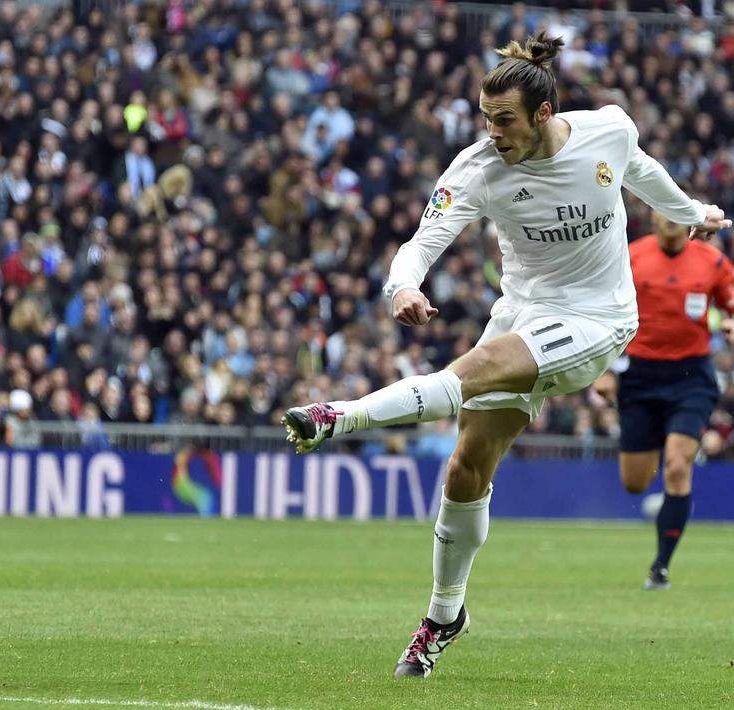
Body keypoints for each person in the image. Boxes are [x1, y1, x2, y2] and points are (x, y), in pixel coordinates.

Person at [279, 33, 731, 678]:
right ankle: (443, 615)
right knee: (466, 468)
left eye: (505, 120)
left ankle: (337, 417)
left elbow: (640, 168)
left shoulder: (607, 129)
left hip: (599, 318)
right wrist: (403, 285)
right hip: (521, 314)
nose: (493, 132)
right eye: (486, 118)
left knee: (474, 370)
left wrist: (691, 212)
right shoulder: (478, 168)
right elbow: (421, 242)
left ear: (543, 114)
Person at [594, 212, 734, 591]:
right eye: (662, 209)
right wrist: (605, 370)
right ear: (652, 217)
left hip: (691, 378)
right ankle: (660, 453)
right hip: (639, 377)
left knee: (677, 464)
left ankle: (660, 567)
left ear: (689, 218)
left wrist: (730, 323)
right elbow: (604, 313)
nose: (669, 217)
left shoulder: (713, 262)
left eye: (677, 211)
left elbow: (731, 304)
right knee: (634, 482)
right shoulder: (630, 256)